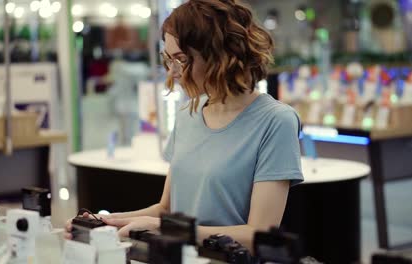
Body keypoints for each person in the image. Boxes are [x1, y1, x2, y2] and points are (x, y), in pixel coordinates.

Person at [65, 0, 303, 252]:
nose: (172, 71)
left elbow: (259, 234)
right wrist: (106, 222)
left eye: (181, 59)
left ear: (218, 56)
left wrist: (172, 229)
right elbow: (166, 209)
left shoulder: (276, 121)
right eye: (168, 59)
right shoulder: (187, 114)